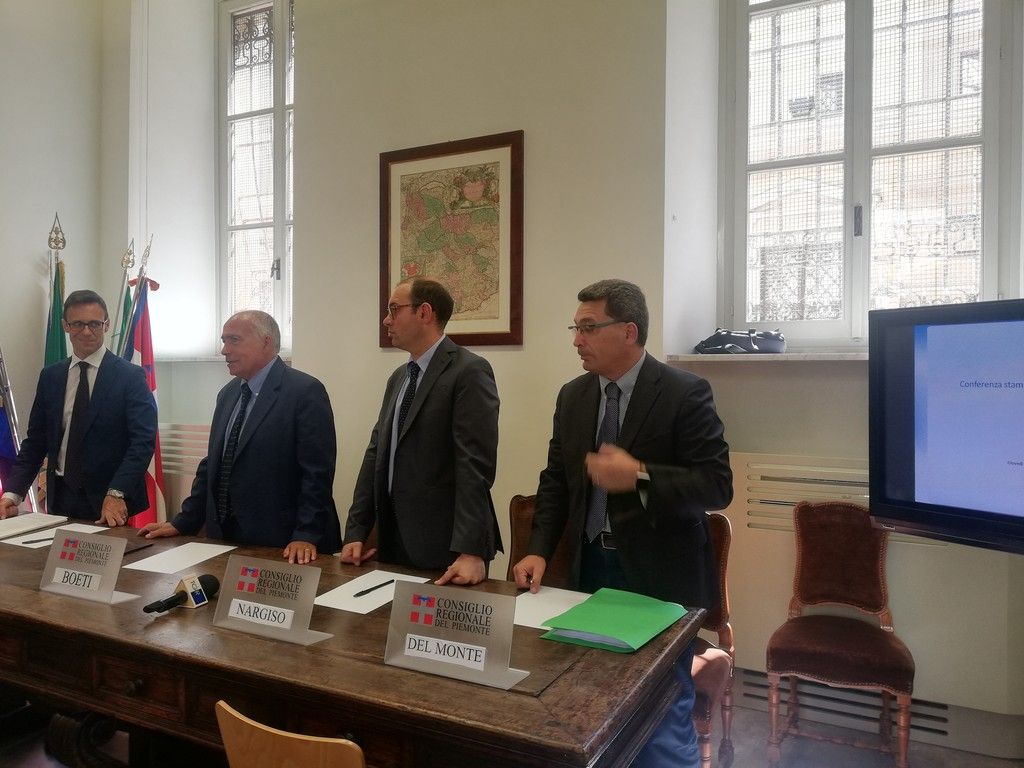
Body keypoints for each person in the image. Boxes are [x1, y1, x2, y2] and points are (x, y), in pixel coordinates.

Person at [511, 279, 732, 768]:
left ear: (629, 331)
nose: (577, 340)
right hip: (590, 569)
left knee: (662, 716)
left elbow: (717, 487)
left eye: (588, 328)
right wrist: (538, 549)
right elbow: (556, 481)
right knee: (587, 701)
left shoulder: (684, 392)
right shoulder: (573, 396)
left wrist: (640, 477)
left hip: (660, 579)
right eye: (575, 328)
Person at [140, 310, 340, 564]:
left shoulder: (305, 392)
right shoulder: (228, 394)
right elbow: (213, 464)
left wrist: (306, 534)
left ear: (266, 342)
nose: (224, 350)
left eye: (234, 340)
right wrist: (183, 521)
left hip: (285, 544)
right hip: (225, 539)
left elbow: (317, 473)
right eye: (224, 341)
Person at [341, 277, 501, 586]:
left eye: (394, 309)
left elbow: (474, 466)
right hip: (391, 540)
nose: (386, 320)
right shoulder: (399, 377)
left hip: (446, 547)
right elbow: (376, 455)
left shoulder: (469, 371)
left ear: (424, 312)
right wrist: (356, 531)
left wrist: (471, 550)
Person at [0, 290, 156, 525]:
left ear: (106, 325)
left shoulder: (130, 376)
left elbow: (142, 441)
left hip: (111, 500)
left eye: (94, 324)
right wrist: (12, 494)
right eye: (78, 324)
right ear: (66, 326)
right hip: (61, 495)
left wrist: (117, 492)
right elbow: (36, 442)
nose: (86, 331)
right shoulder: (51, 377)